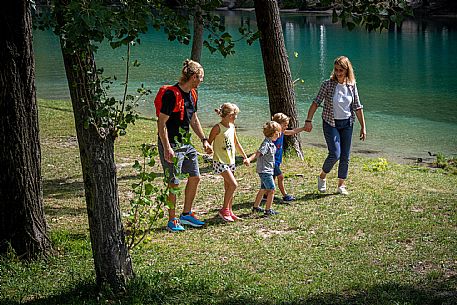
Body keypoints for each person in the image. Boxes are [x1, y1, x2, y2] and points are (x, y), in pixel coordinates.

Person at [157, 59, 213, 232]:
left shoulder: (193, 94)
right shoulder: (171, 95)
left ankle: (186, 214)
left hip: (185, 143)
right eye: (201, 77)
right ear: (194, 76)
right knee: (173, 182)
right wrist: (167, 147)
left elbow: (193, 119)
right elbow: (161, 123)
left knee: (195, 177)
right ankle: (172, 220)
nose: (202, 81)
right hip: (171, 144)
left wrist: (204, 139)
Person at [304, 55, 366, 195]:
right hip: (330, 123)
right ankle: (322, 176)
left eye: (341, 70)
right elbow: (316, 102)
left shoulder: (352, 85)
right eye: (336, 70)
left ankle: (341, 185)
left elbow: (357, 106)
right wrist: (308, 120)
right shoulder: (327, 84)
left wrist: (363, 126)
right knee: (335, 154)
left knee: (345, 155)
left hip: (347, 124)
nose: (338, 73)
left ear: (347, 71)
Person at [207, 103, 250, 222]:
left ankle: (229, 211)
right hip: (220, 161)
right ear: (225, 115)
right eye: (233, 114)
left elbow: (236, 143)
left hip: (230, 160)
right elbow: (208, 142)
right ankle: (224, 210)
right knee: (233, 184)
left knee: (228, 187)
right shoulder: (217, 128)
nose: (235, 117)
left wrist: (245, 157)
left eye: (236, 114)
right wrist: (208, 148)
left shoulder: (232, 127)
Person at [247, 121, 282, 216]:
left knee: (263, 189)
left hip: (268, 170)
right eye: (279, 133)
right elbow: (258, 153)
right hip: (265, 171)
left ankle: (255, 207)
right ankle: (268, 210)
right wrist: (249, 159)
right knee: (271, 190)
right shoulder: (266, 144)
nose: (280, 135)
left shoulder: (270, 143)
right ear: (275, 133)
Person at [271, 113, 306, 202]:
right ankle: (285, 195)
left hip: (277, 161)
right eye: (285, 125)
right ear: (278, 124)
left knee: (273, 178)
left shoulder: (282, 132)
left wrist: (303, 128)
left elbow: (293, 131)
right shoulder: (273, 136)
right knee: (280, 177)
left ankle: (266, 195)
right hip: (272, 161)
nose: (286, 127)